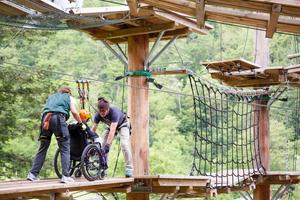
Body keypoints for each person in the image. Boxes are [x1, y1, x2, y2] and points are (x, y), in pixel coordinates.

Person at [27, 86, 83, 183]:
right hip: (57, 119)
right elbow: (74, 112)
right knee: (65, 147)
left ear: (59, 91)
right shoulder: (69, 98)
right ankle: (65, 176)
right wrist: (81, 123)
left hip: (45, 120)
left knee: (43, 147)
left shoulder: (51, 97)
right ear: (69, 92)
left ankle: (32, 174)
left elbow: (48, 109)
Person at [91, 97, 133, 177]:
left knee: (124, 144)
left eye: (104, 111)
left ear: (108, 109)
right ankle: (103, 168)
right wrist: (88, 138)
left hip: (122, 124)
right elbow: (93, 129)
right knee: (102, 147)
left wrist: (108, 145)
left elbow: (112, 131)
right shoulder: (98, 115)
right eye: (100, 111)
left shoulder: (114, 113)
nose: (102, 113)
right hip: (111, 126)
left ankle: (129, 167)